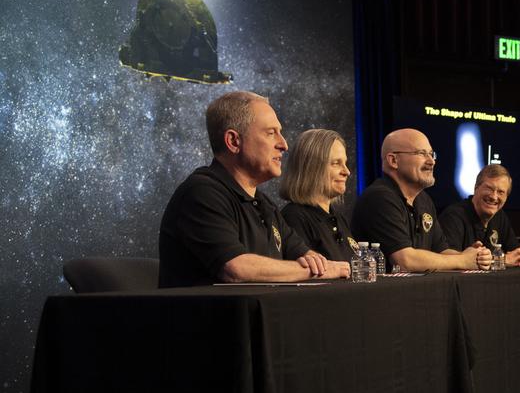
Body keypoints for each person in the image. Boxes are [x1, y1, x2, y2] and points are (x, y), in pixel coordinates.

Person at [158, 91, 349, 287]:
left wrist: (316, 263)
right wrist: (317, 271)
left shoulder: (265, 205)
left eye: (280, 132)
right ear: (234, 141)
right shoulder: (201, 193)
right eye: (271, 133)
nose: (283, 144)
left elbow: (306, 255)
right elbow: (236, 268)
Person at [351, 129, 492, 272]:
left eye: (431, 154)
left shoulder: (423, 200)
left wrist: (474, 256)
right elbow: (405, 261)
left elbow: (441, 252)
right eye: (421, 153)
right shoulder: (380, 198)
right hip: (383, 293)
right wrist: (462, 260)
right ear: (394, 160)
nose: (431, 161)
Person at [279, 128, 359, 264]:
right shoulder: (294, 217)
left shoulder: (338, 218)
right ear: (311, 168)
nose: (347, 172)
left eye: (345, 163)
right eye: (336, 163)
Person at [439, 164, 520, 267]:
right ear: (476, 188)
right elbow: (448, 260)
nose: (494, 196)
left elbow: (515, 254)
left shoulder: (500, 217)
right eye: (489, 188)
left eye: (501, 192)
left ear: (506, 197)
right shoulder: (453, 216)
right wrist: (502, 260)